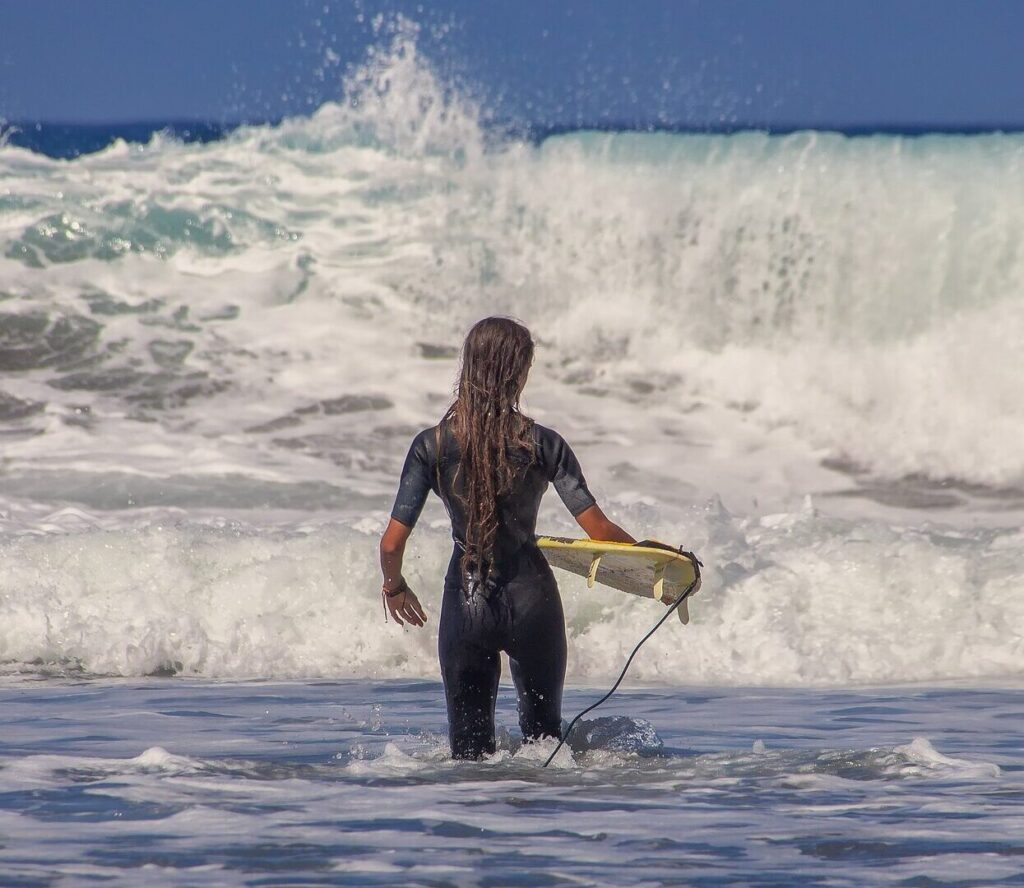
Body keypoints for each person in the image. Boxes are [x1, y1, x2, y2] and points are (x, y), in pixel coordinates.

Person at [378, 317, 636, 760]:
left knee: (469, 757)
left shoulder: (431, 446)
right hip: (534, 601)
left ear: (469, 368)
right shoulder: (542, 443)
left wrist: (395, 586)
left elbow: (390, 544)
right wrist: (658, 560)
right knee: (545, 749)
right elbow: (599, 532)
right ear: (517, 373)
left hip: (467, 603)